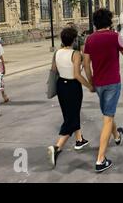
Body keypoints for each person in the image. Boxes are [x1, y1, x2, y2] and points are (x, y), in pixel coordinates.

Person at [84, 9, 123, 173]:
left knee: (107, 114)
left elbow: (86, 64)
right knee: (108, 118)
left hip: (99, 84)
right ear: (109, 22)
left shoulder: (89, 39)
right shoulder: (114, 36)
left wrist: (90, 82)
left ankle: (117, 136)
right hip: (112, 82)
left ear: (95, 23)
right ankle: (100, 159)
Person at [47, 27, 93, 168]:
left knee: (70, 113)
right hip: (73, 87)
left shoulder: (57, 52)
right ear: (74, 40)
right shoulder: (76, 54)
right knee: (71, 117)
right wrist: (89, 86)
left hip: (61, 85)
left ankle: (79, 139)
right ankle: (57, 147)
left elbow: (54, 70)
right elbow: (77, 75)